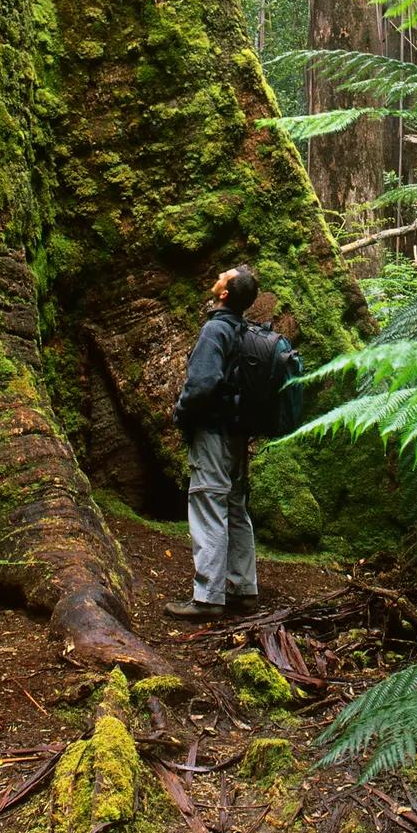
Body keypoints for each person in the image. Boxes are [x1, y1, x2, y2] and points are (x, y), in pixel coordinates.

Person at [165, 264, 266, 620]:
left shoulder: (215, 331)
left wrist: (182, 412)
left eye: (224, 275)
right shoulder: (244, 331)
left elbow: (203, 383)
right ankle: (243, 589)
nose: (218, 275)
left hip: (212, 431)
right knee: (235, 506)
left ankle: (208, 597)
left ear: (225, 294)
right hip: (238, 432)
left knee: (208, 502)